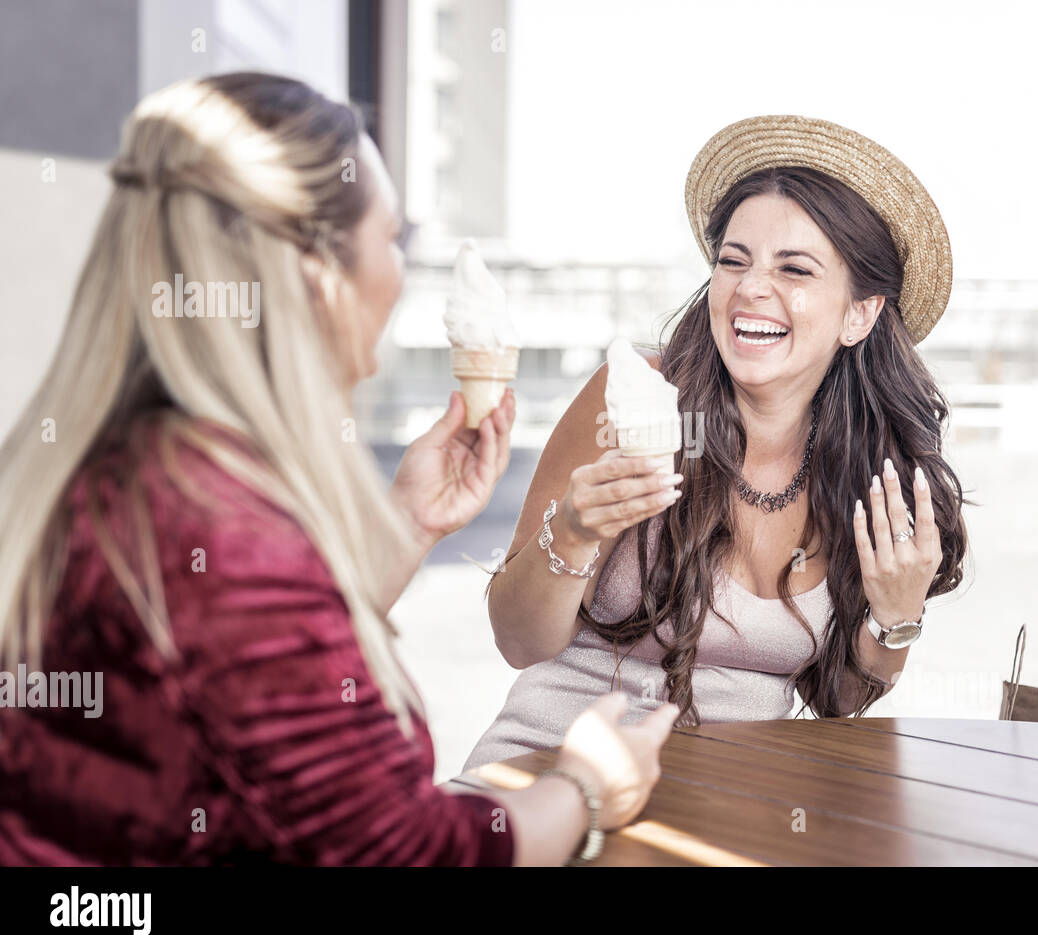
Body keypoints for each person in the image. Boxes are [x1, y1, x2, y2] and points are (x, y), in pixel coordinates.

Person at [0, 71, 676, 867]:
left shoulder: (130, 467)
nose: (400, 272)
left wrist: (407, 526)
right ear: (319, 273)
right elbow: (401, 852)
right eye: (394, 239)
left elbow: (253, 702)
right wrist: (586, 785)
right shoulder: (218, 522)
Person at [464, 115, 971, 770]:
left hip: (736, 809)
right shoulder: (632, 396)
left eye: (795, 269)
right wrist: (572, 533)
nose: (750, 288)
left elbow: (839, 702)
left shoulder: (870, 469)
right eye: (733, 261)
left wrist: (895, 619)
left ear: (859, 314)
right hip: (550, 778)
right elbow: (518, 640)